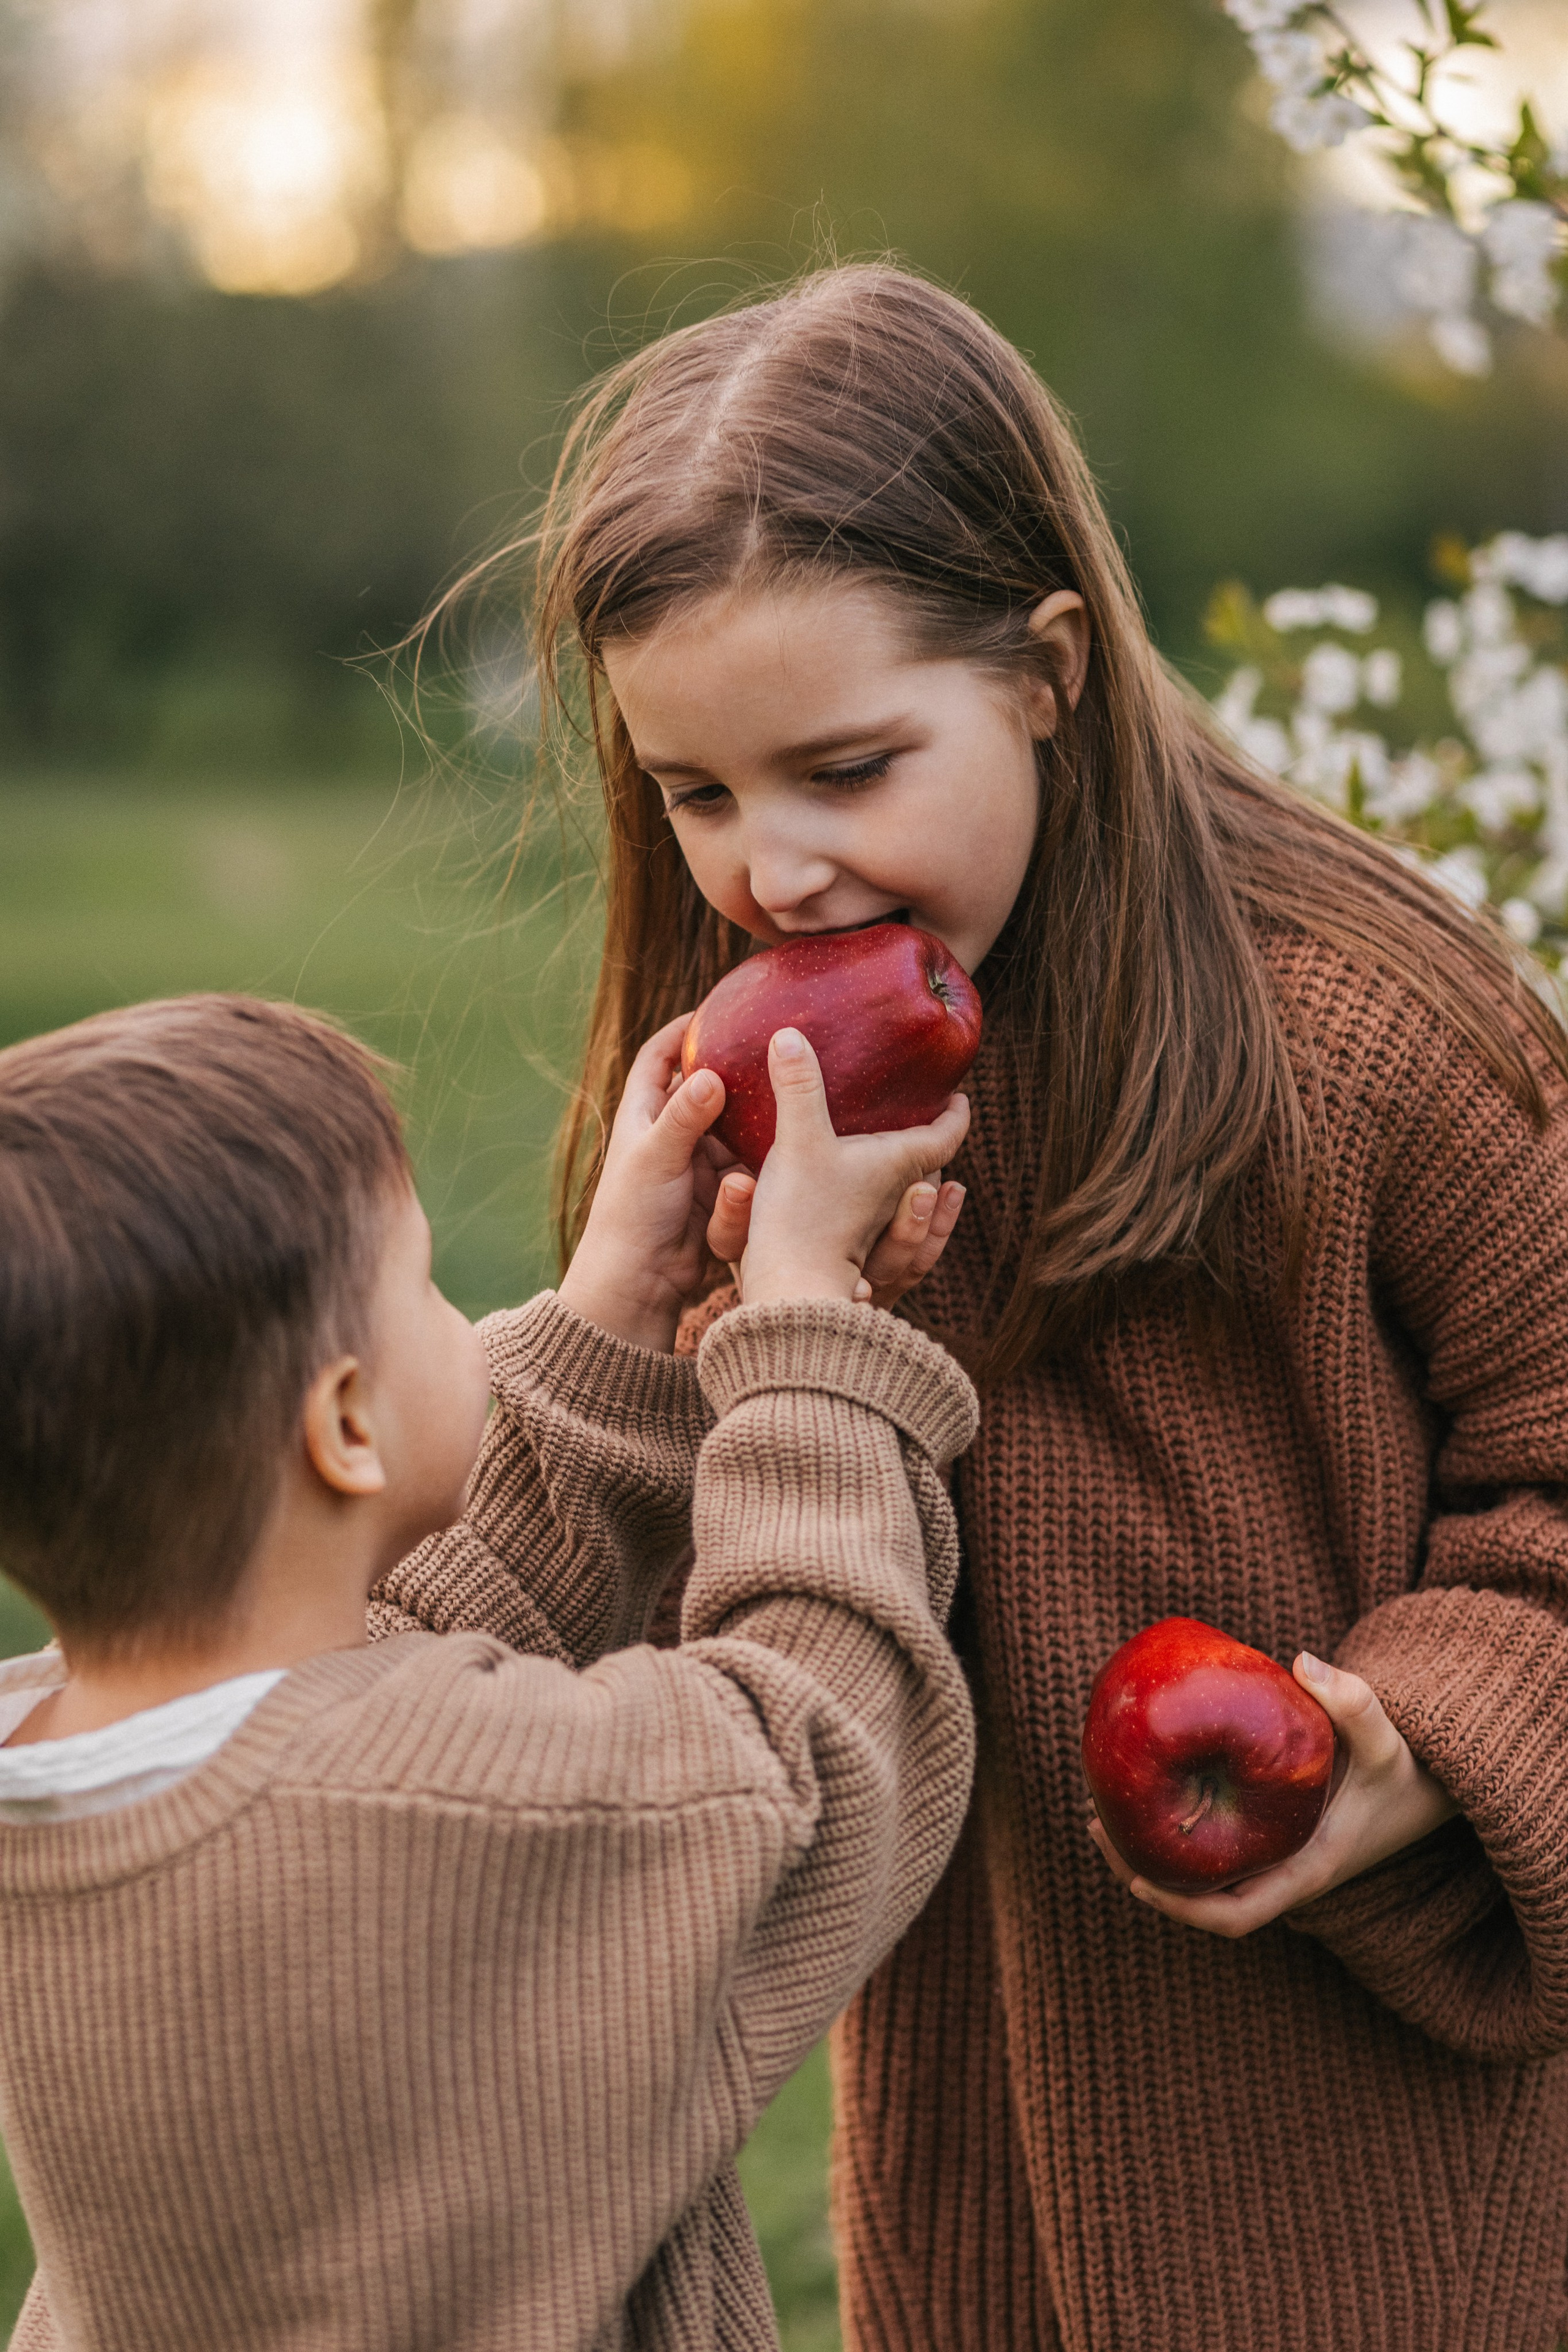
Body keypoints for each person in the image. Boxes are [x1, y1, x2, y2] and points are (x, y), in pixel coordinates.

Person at [393, 262, 1568, 2352]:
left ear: (1045, 670)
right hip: (986, 2203)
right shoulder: (748, 1087)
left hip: (1400, 2214)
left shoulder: (1376, 1039)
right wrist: (658, 1325)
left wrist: (1417, 1751)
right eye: (697, 793)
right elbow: (582, 1659)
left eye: (848, 767)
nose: (772, 870)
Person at [0, 990, 979, 2352]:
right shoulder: (455, 1818)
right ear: (345, 1424)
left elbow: (402, 1664)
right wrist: (808, 1336)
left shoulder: (64, 1770)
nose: (459, 1313)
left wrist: (614, 1310)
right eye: (420, 1282)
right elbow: (807, 1759)